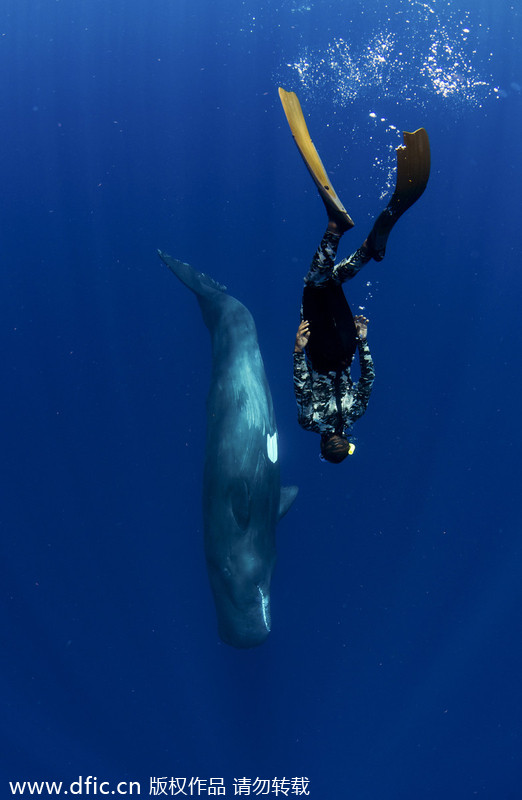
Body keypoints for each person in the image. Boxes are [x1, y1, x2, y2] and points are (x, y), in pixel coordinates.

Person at [279, 87, 430, 463]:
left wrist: (362, 340)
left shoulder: (356, 413)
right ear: (322, 444)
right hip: (320, 346)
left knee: (331, 281)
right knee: (315, 284)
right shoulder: (308, 421)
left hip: (346, 345)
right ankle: (335, 226)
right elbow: (300, 387)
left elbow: (370, 379)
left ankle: (369, 251)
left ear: (344, 440)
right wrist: (298, 351)